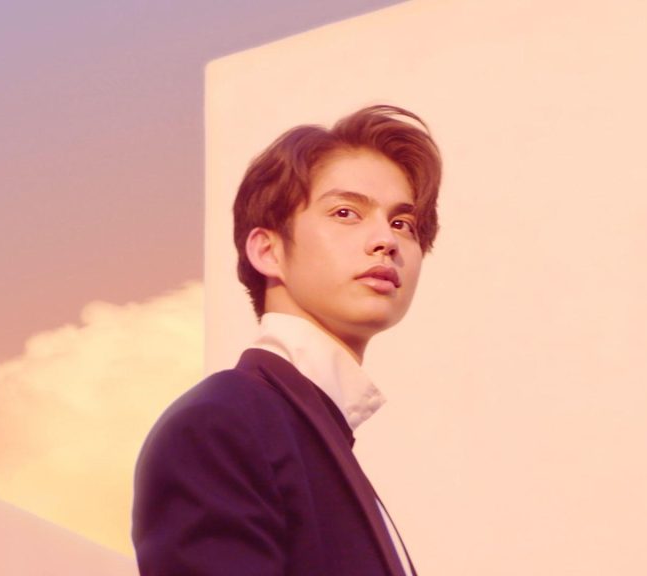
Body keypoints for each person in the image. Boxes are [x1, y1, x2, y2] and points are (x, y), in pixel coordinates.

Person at [132, 104, 442, 576]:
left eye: (403, 223)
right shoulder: (222, 424)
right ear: (268, 250)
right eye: (346, 213)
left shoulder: (316, 434)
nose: (386, 240)